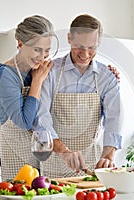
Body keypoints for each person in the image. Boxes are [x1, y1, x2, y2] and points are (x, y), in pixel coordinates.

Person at [34, 14, 121, 178]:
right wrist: (64, 151)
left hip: (94, 162)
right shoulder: (50, 71)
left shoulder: (106, 76)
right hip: (54, 161)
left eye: (92, 48)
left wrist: (108, 155)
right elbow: (41, 117)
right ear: (69, 38)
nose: (85, 54)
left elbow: (114, 118)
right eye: (80, 46)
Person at [0, 15, 57, 181]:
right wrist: (37, 81)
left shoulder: (42, 68)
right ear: (20, 44)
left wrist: (110, 74)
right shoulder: (5, 74)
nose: (42, 57)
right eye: (37, 49)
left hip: (43, 154)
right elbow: (23, 121)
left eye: (47, 51)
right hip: (16, 155)